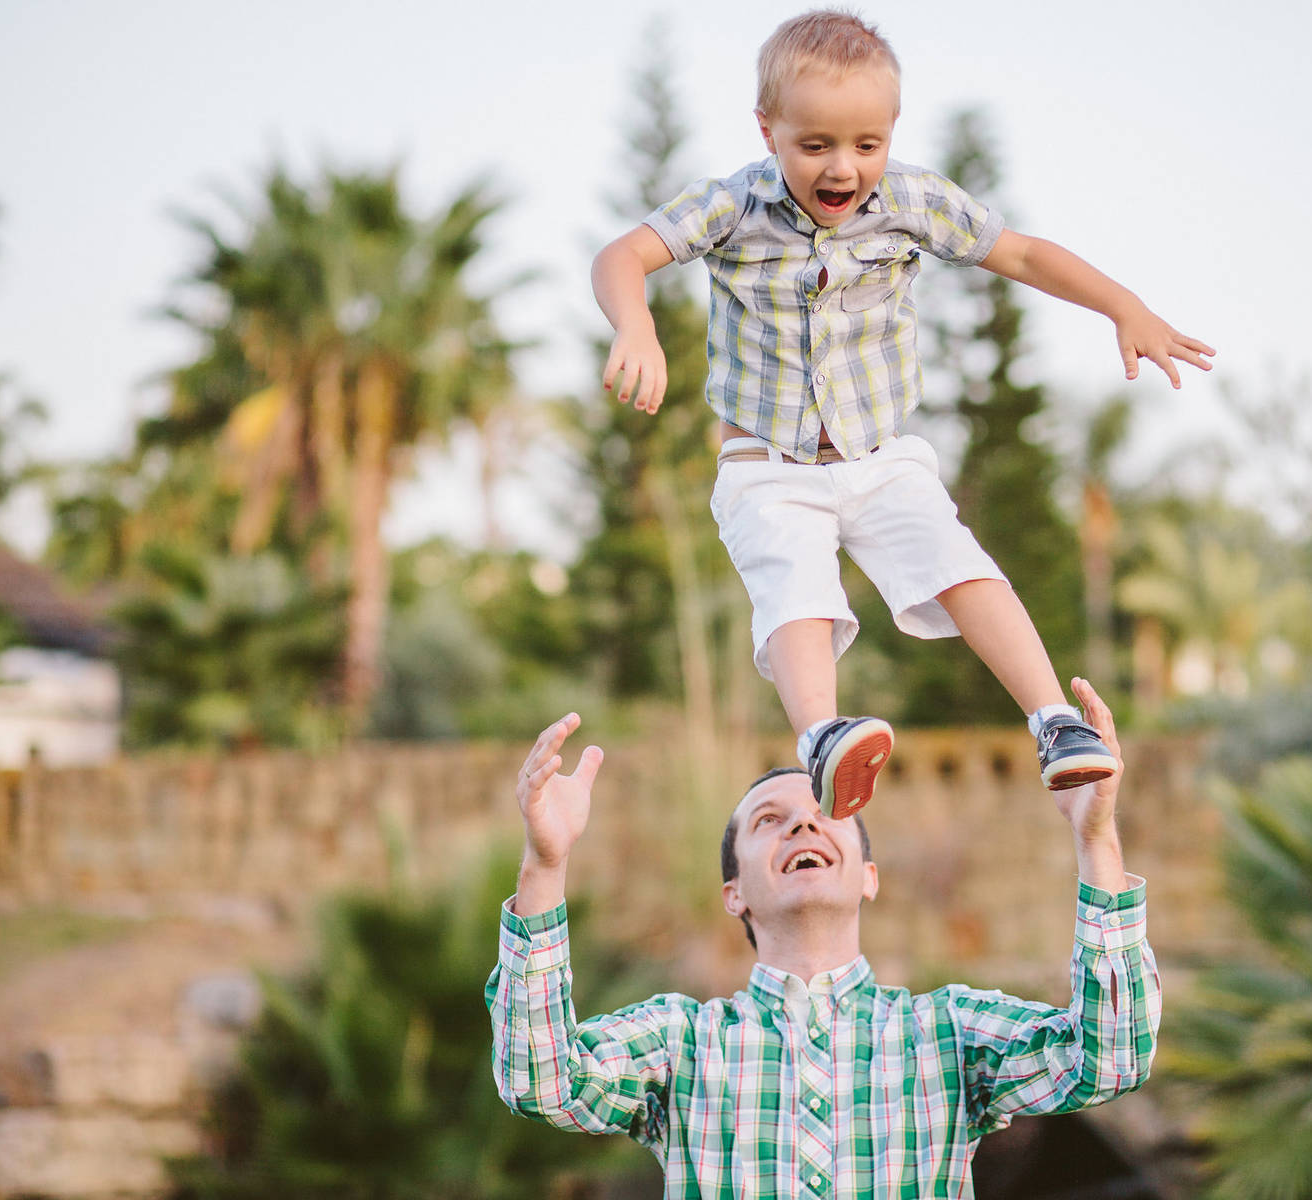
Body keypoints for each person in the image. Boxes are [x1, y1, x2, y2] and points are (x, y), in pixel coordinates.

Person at [590, 9, 1215, 817]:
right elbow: (623, 254)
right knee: (795, 588)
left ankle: (1055, 722)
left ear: (890, 133)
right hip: (768, 468)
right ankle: (821, 738)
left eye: (865, 145)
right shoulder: (734, 206)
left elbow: (1020, 252)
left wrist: (1122, 306)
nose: (843, 167)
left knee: (958, 563)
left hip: (881, 457)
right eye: (814, 145)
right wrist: (635, 324)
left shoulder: (913, 199)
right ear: (768, 130)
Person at [488, 677, 1162, 1197]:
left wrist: (1095, 837)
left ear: (869, 875)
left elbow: (1109, 1059)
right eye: (769, 821)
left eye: (826, 812)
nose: (802, 827)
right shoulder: (680, 1042)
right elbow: (539, 1081)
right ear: (736, 894)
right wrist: (545, 865)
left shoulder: (950, 1031)